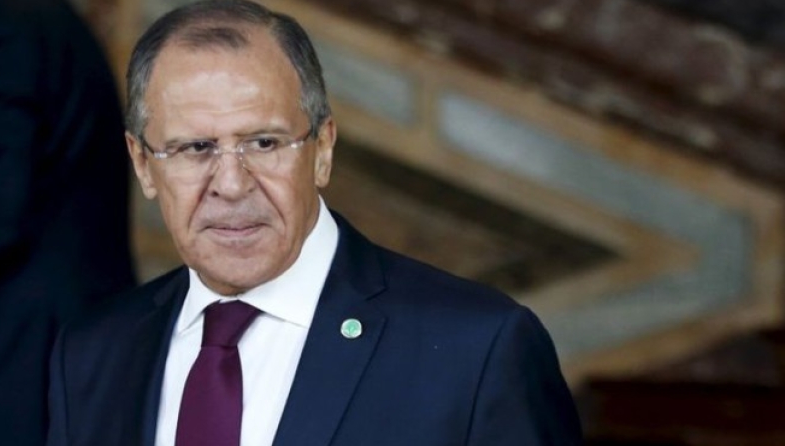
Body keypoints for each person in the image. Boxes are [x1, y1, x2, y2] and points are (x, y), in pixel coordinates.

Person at [47, 1, 582, 445]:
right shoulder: (92, 354)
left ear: (323, 149)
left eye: (264, 143)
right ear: (143, 165)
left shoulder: (479, 350)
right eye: (195, 148)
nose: (231, 184)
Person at [0, 0, 136, 444]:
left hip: (34, 338)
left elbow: (2, 210)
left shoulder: (7, 27)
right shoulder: (43, 16)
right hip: (72, 324)